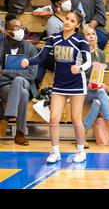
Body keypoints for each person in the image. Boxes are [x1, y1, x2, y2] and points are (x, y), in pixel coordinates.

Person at [21, 10, 92, 164]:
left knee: (75, 118)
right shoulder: (54, 38)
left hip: (76, 85)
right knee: (53, 118)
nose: (68, 22)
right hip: (59, 84)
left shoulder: (80, 40)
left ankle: (81, 151)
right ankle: (55, 151)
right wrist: (28, 61)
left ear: (77, 25)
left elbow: (88, 61)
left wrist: (79, 69)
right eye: (67, 19)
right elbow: (41, 57)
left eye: (72, 21)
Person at [82, 24, 109, 145]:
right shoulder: (80, 53)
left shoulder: (100, 54)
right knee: (100, 93)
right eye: (88, 34)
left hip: (93, 91)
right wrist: (90, 83)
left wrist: (101, 83)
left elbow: (98, 75)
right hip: (80, 90)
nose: (91, 37)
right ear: (83, 37)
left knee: (98, 102)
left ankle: (82, 134)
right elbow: (75, 76)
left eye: (93, 34)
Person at [0, 14, 38, 146]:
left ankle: (7, 116)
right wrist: (17, 75)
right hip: (5, 87)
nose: (20, 30)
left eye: (21, 26)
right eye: (16, 28)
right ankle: (20, 133)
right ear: (8, 32)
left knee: (19, 82)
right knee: (23, 93)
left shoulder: (30, 48)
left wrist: (6, 72)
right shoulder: (0, 47)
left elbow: (31, 75)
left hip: (25, 83)